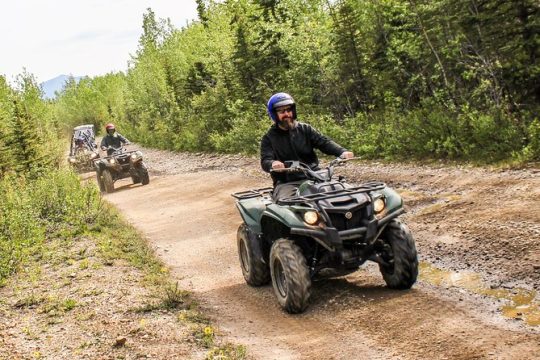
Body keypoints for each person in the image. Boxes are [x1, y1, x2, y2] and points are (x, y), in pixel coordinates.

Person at [260, 92, 354, 202]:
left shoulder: (305, 129)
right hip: (288, 182)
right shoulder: (268, 138)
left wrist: (342, 152)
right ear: (274, 114)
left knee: (347, 192)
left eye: (289, 110)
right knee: (287, 204)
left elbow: (324, 142)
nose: (287, 114)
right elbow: (265, 160)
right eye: (282, 111)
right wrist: (273, 164)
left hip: (316, 176)